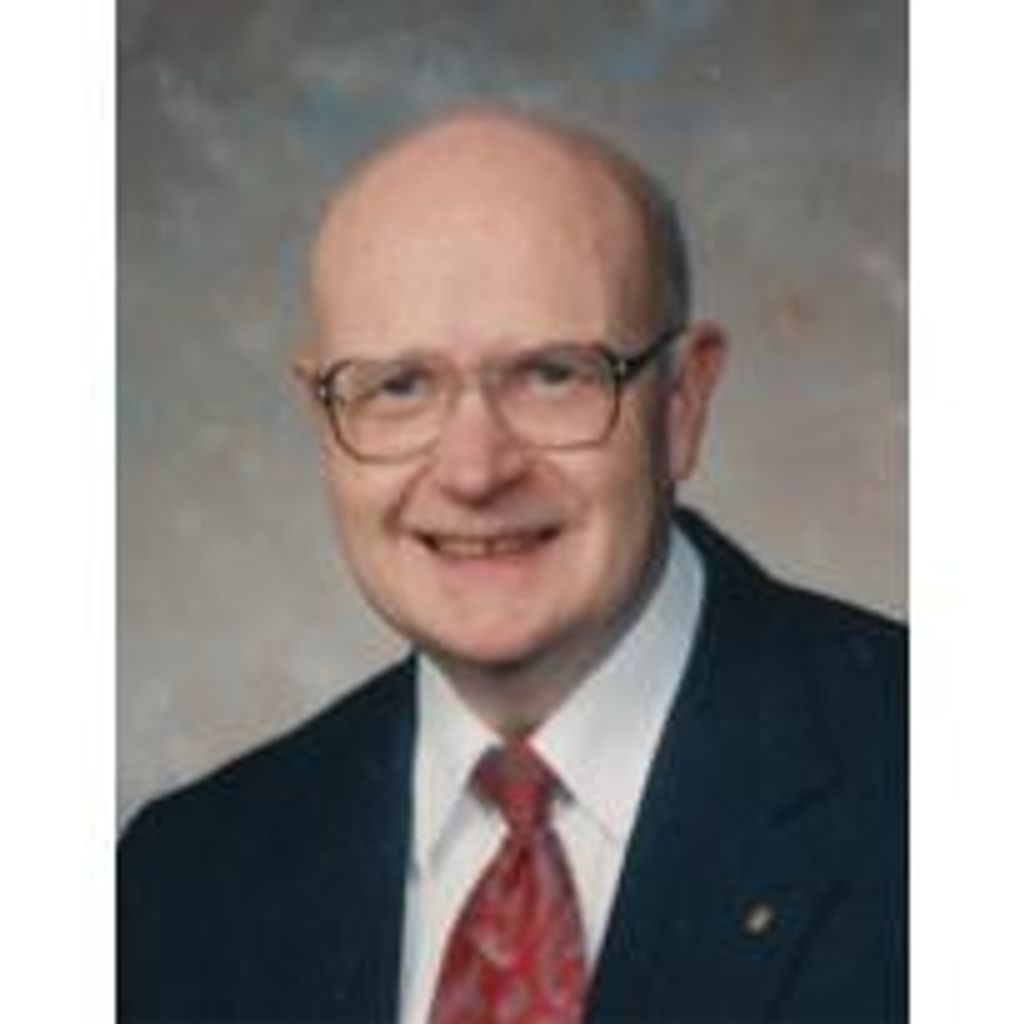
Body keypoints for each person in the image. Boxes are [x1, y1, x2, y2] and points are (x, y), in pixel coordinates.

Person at [118, 106, 907, 1023]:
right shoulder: (180, 881)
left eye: (551, 374)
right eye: (399, 386)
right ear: (324, 419)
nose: (474, 471)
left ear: (682, 402)